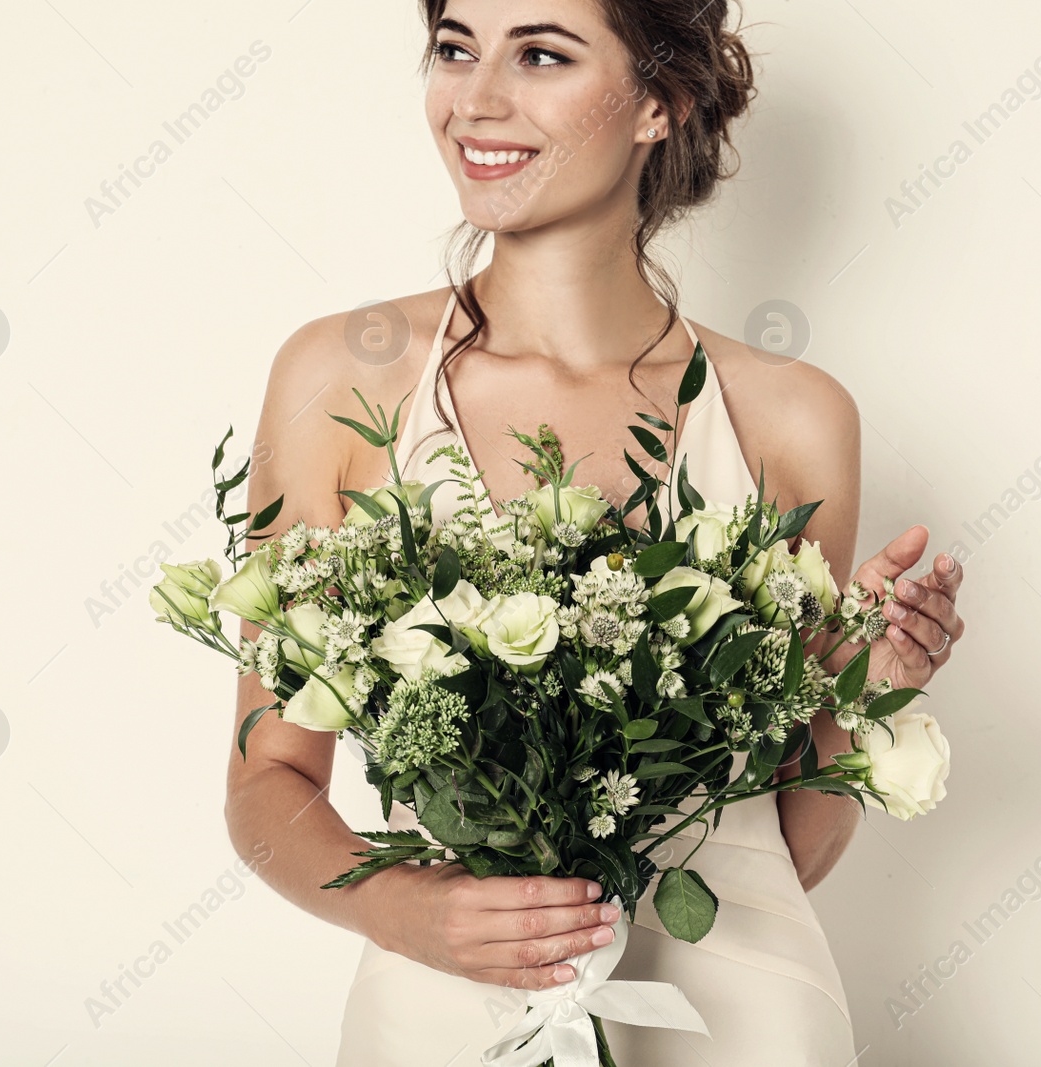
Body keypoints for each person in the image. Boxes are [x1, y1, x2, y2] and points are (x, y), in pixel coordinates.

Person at [224, 1, 966, 1061]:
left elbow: (783, 844)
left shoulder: (795, 416)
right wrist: (403, 910)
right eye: (453, 48)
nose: (476, 98)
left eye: (539, 53)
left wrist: (864, 693)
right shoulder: (337, 377)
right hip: (442, 1002)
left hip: (737, 1015)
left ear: (659, 101)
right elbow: (265, 784)